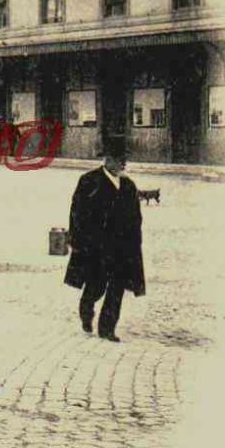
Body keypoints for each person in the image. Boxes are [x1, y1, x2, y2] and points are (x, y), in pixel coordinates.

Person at [64, 145, 146, 342]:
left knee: (117, 287)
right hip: (96, 247)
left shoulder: (129, 186)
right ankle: (86, 307)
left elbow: (136, 218)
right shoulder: (89, 181)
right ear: (107, 160)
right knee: (96, 284)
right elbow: (77, 214)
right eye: (119, 159)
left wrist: (135, 244)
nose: (123, 163)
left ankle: (107, 328)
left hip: (121, 248)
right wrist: (78, 241)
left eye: (124, 159)